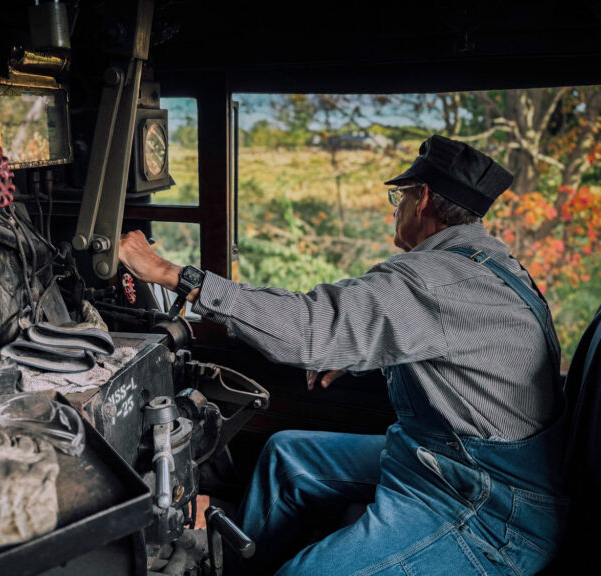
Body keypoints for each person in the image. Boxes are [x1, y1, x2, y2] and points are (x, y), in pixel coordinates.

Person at [118, 135, 568, 575]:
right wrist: (358, 351)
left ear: (424, 199)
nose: (397, 210)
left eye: (400, 198)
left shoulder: (433, 279)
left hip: (486, 506)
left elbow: (310, 327)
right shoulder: (488, 263)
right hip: (432, 460)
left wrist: (174, 274)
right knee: (286, 456)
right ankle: (235, 564)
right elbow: (451, 345)